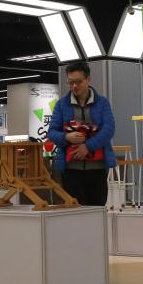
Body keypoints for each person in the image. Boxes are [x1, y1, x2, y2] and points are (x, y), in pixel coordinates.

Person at [48, 61, 116, 206]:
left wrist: (87, 147)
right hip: (70, 169)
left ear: (88, 79)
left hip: (97, 168)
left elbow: (109, 130)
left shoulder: (102, 103)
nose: (74, 86)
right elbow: (52, 132)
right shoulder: (61, 104)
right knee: (75, 212)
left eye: (78, 82)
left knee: (97, 209)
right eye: (70, 82)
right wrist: (66, 137)